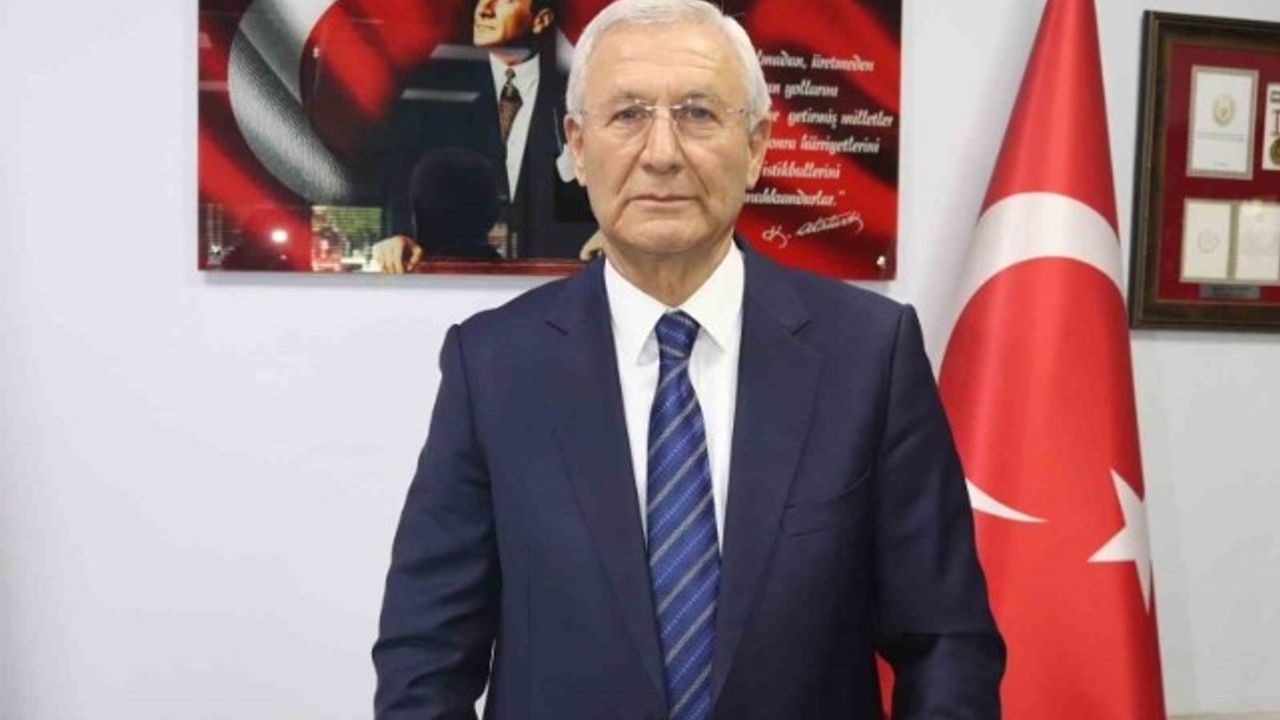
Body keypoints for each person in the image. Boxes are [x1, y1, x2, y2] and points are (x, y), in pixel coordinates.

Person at [373, 0, 1004, 717]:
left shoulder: (868, 355)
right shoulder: (492, 366)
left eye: (699, 113)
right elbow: (426, 655)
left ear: (757, 146)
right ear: (577, 147)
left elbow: (945, 643)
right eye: (627, 115)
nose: (662, 153)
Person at [374, 0, 595, 270]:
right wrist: (399, 235)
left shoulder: (577, 94)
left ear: (541, 20)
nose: (484, 9)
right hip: (458, 276)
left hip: (559, 274)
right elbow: (402, 176)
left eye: (505, 0)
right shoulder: (433, 87)